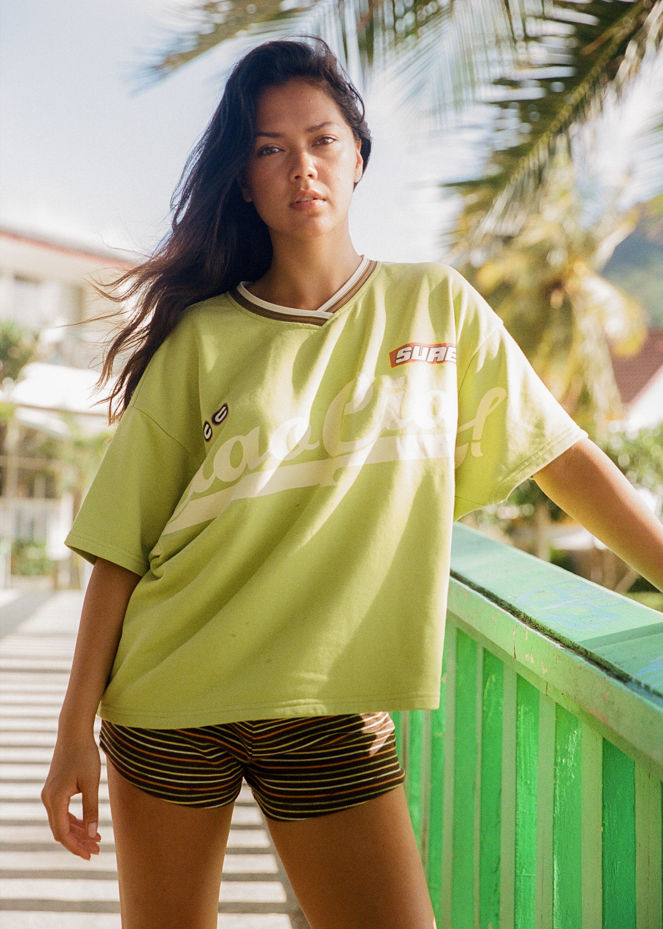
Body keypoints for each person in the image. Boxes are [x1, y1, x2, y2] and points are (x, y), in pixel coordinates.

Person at [42, 37, 663, 929]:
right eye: (269, 148)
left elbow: (560, 456)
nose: (301, 166)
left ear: (359, 156)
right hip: (169, 699)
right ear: (245, 180)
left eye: (322, 139)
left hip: (326, 703)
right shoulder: (203, 341)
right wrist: (73, 734)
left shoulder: (434, 307)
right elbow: (118, 547)